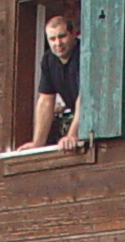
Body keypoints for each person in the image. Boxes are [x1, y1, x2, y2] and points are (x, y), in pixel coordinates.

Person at [21, 11, 83, 151]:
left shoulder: (85, 53)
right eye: (52, 39)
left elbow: (86, 97)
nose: (58, 43)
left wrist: (72, 135)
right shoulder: (48, 60)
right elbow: (45, 101)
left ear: (74, 33)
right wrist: (37, 143)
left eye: (62, 36)